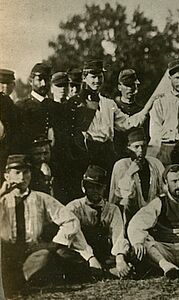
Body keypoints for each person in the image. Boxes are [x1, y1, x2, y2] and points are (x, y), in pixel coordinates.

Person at [0, 155, 84, 296]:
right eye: (17, 173)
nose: (22, 177)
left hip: (31, 252)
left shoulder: (40, 198)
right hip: (6, 253)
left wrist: (55, 243)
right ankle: (17, 281)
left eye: (26, 172)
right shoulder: (2, 200)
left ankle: (22, 280)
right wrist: (2, 192)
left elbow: (70, 220)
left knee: (45, 256)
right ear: (7, 176)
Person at [65, 59, 150, 175]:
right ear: (84, 78)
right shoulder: (75, 103)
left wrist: (148, 106)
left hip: (108, 153)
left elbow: (127, 123)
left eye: (100, 77)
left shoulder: (109, 103)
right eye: (93, 77)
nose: (97, 81)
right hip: (87, 155)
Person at [66, 165, 131, 279]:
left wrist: (120, 258)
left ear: (104, 188)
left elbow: (118, 235)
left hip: (103, 252)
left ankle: (104, 270)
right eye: (91, 187)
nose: (95, 191)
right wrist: (90, 258)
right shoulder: (74, 207)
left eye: (99, 187)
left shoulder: (112, 209)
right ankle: (105, 272)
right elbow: (74, 237)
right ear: (83, 187)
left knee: (130, 254)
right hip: (82, 251)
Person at [109, 129, 164, 226]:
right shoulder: (122, 165)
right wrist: (130, 172)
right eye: (136, 147)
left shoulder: (155, 164)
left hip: (152, 211)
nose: (141, 150)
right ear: (128, 148)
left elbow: (163, 189)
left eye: (143, 146)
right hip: (130, 211)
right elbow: (120, 194)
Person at [14, 63, 60, 153]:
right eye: (39, 80)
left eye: (47, 80)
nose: (43, 84)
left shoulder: (56, 107)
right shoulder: (21, 107)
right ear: (31, 81)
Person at [114, 69, 147, 159]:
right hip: (116, 155)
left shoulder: (141, 111)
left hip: (137, 156)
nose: (130, 89)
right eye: (127, 85)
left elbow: (146, 136)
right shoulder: (113, 108)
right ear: (119, 87)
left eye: (133, 85)